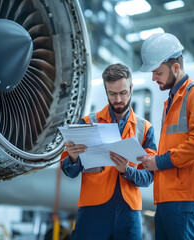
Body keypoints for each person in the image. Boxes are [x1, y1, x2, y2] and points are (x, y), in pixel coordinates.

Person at [137, 32, 194, 240]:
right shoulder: (172, 103)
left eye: (158, 72)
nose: (154, 78)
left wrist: (160, 161)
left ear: (176, 68)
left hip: (186, 200)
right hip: (167, 199)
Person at [60, 63, 157, 240]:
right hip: (93, 209)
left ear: (131, 88)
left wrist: (127, 171)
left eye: (123, 93)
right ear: (106, 90)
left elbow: (148, 178)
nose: (118, 99)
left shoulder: (145, 129)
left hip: (129, 211)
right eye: (112, 94)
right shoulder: (87, 123)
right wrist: (73, 158)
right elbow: (69, 171)